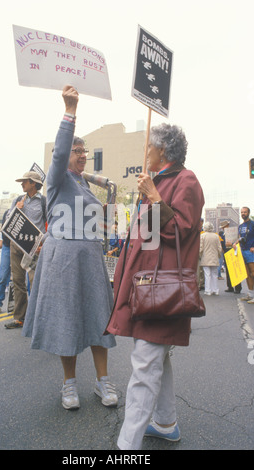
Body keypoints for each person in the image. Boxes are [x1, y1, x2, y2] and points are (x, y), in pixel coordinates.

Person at [106, 123, 204, 450]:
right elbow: (147, 239)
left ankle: (126, 448)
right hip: (148, 288)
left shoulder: (185, 180)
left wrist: (155, 197)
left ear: (162, 150)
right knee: (155, 357)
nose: (144, 152)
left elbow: (181, 231)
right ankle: (165, 422)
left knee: (145, 364)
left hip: (161, 292)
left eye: (148, 147)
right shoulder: (158, 181)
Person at [22, 85, 117, 410]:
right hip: (62, 256)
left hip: (89, 255)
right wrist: (70, 111)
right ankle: (69, 384)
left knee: (97, 318)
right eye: (77, 151)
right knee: (67, 319)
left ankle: (103, 382)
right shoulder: (57, 177)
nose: (81, 155)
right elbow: (60, 153)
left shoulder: (83, 183)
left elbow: (102, 221)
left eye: (84, 152)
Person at [4, 171, 47, 329]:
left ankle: (38, 318)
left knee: (35, 281)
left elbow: (51, 224)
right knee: (17, 281)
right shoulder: (17, 200)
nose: (22, 184)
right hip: (16, 244)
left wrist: (41, 243)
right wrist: (16, 209)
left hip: (33, 247)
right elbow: (8, 221)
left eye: (25, 181)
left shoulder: (43, 202)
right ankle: (19, 318)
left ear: (33, 183)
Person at [234, 207, 254, 303]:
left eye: (245, 212)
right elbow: (240, 238)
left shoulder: (252, 224)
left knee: (253, 273)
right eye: (242, 212)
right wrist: (235, 243)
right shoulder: (240, 226)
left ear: (248, 213)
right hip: (243, 251)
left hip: (251, 252)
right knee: (247, 274)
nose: (243, 213)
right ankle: (250, 294)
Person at [199, 222, 222, 295]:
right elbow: (219, 248)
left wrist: (200, 255)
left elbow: (200, 248)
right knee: (214, 274)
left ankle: (208, 290)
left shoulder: (202, 236)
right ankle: (215, 290)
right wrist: (218, 255)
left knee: (207, 275)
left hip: (205, 258)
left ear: (205, 228)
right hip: (214, 258)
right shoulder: (216, 236)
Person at [220, 220, 242, 294]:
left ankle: (238, 288)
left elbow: (238, 241)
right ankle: (230, 287)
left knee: (235, 270)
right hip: (226, 253)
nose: (223, 228)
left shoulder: (234, 233)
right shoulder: (223, 234)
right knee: (228, 271)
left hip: (233, 252)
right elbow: (222, 244)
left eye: (224, 227)